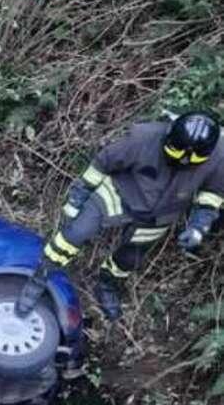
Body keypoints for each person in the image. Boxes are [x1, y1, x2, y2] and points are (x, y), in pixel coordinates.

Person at [16, 111, 224, 320]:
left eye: (192, 158)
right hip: (117, 194)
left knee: (129, 259)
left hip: (159, 215)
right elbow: (102, 162)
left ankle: (106, 285)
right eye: (177, 153)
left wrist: (198, 227)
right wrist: (78, 197)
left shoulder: (219, 156)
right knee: (76, 234)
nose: (184, 161)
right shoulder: (143, 137)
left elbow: (211, 197)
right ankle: (39, 279)